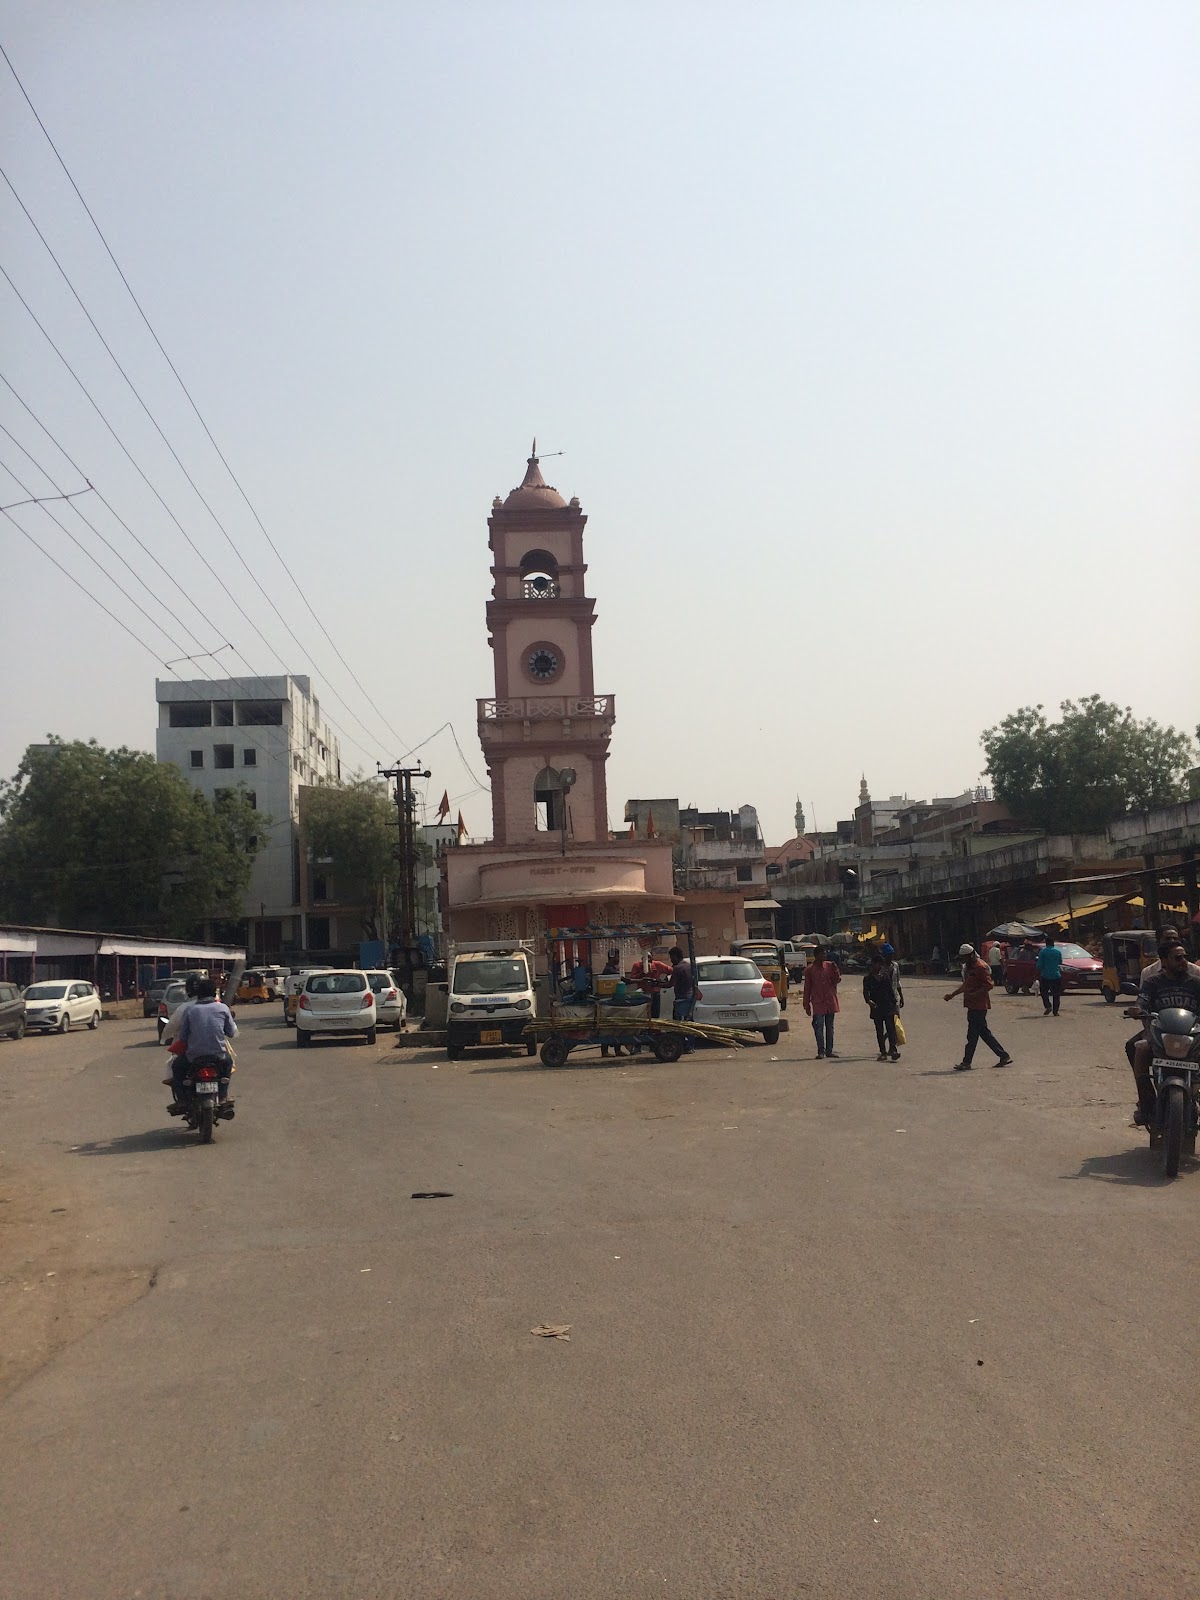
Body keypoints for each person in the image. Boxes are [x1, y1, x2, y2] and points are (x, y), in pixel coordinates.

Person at [1130, 941, 1200, 1125]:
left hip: (1192, 1035)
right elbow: (1143, 999)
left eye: (1184, 957)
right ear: (1164, 961)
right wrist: (1137, 1009)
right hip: (1161, 1034)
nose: (1183, 961)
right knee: (1138, 1048)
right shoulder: (1153, 982)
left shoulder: (1196, 983)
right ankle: (1146, 1103)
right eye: (1177, 958)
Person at [945, 943, 1013, 1070]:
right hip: (972, 1005)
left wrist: (975, 994)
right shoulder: (969, 968)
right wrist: (952, 995)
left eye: (964, 957)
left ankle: (967, 1062)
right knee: (983, 1034)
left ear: (971, 955)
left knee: (972, 1035)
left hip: (979, 1006)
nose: (963, 960)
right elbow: (966, 986)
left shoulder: (980, 967)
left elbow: (989, 985)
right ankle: (1003, 1056)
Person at [173, 977, 237, 1103]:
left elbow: (183, 1037)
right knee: (228, 1063)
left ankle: (182, 1100)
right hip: (218, 1056)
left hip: (193, 1057)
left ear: (198, 994)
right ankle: (223, 1095)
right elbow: (231, 1032)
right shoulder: (223, 1008)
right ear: (214, 993)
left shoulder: (190, 1011)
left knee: (177, 1067)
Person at [802, 945, 841, 1059]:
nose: (825, 955)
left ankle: (829, 1050)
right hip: (818, 1002)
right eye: (822, 954)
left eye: (825, 953)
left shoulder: (830, 966)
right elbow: (807, 988)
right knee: (818, 1027)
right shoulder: (810, 970)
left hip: (830, 1001)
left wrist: (836, 970)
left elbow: (836, 980)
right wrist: (806, 1004)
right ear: (816, 956)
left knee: (830, 1027)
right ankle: (821, 1050)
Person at [863, 954, 900, 1061]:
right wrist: (869, 1001)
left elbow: (890, 991)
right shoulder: (868, 978)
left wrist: (895, 1005)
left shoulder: (885, 976)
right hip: (876, 1008)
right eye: (878, 964)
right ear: (873, 964)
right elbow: (866, 993)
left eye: (881, 964)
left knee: (891, 1029)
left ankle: (893, 1050)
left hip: (888, 1006)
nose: (879, 966)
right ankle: (882, 1052)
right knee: (879, 1030)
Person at [669, 945, 696, 1052]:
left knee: (679, 1024)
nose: (671, 960)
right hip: (689, 997)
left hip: (681, 999)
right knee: (689, 1022)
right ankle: (690, 1045)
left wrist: (657, 984)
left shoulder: (678, 968)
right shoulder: (689, 965)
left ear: (675, 956)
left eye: (671, 957)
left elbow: (670, 984)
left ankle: (683, 1046)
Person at [1035, 934, 1064, 1016]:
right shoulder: (1057, 952)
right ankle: (1056, 1011)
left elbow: (1039, 965)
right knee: (1056, 994)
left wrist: (1036, 973)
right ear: (1053, 943)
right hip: (1056, 975)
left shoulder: (1042, 952)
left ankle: (1048, 1006)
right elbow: (1060, 962)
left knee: (1044, 992)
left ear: (1046, 943)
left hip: (1045, 975)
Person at [880, 943, 904, 1014]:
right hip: (883, 999)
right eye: (889, 955)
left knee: (896, 1021)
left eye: (892, 954)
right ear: (884, 955)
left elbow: (897, 982)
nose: (891, 957)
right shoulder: (880, 968)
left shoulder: (895, 966)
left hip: (894, 998)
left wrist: (901, 997)